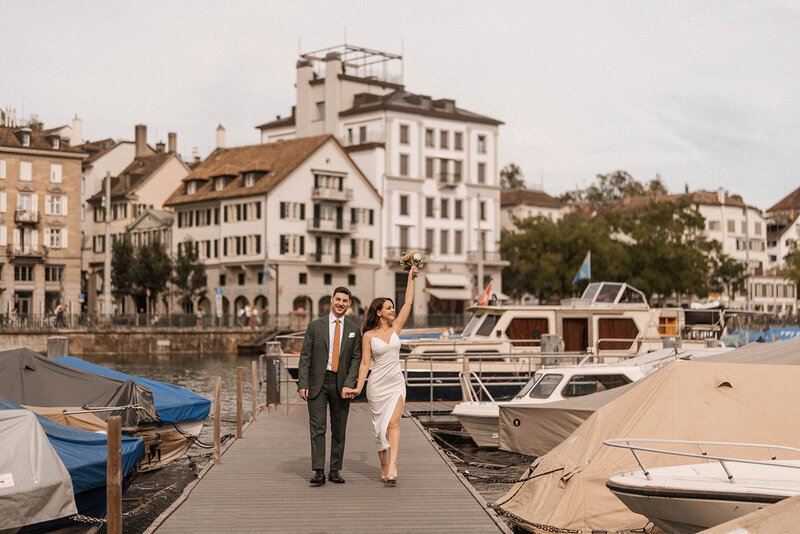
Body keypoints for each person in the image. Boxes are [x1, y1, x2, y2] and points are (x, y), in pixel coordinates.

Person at [342, 266, 417, 485]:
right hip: (376, 386)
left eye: (393, 307)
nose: (392, 310)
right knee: (379, 429)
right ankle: (383, 465)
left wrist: (411, 278)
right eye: (388, 308)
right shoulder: (367, 335)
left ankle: (393, 464)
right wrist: (358, 387)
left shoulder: (396, 328)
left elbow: (408, 304)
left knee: (393, 423)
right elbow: (365, 363)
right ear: (378, 312)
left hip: (396, 383)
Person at [297, 286, 362, 486]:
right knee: (317, 428)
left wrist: (350, 384)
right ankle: (318, 471)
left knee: (339, 429)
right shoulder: (315, 326)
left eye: (345, 301)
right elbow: (305, 357)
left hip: (342, 384)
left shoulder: (354, 330)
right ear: (331, 300)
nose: (341, 303)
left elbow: (356, 360)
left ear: (349, 304)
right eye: (338, 299)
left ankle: (335, 470)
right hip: (317, 382)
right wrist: (303, 383)